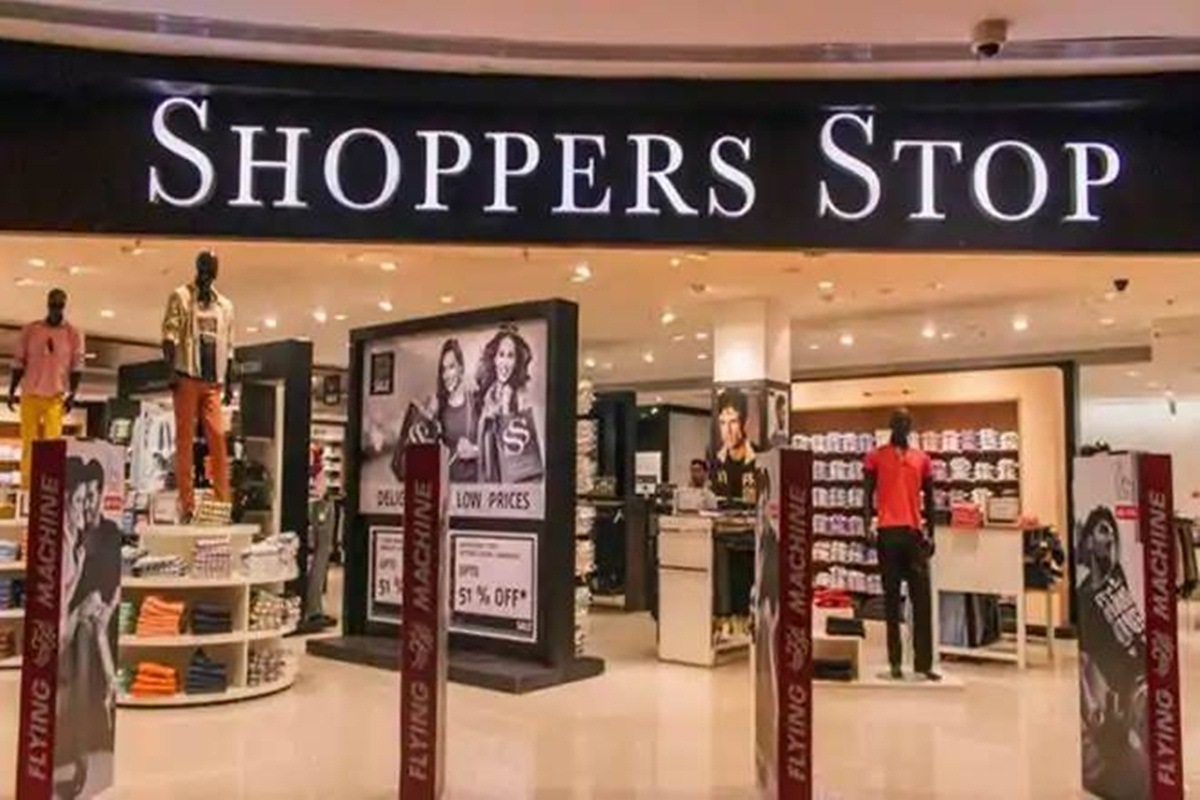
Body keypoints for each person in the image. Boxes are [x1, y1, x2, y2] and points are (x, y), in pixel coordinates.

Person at [56, 457, 121, 798]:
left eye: (93, 495)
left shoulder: (102, 535)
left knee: (85, 684)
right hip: (72, 627)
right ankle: (75, 759)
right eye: (84, 497)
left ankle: (82, 757)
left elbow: (111, 586)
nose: (89, 504)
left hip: (90, 623)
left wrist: (104, 607)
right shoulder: (73, 539)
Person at [863, 408, 940, 682]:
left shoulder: (922, 459)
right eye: (897, 422)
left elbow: (930, 497)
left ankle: (923, 663)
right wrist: (866, 525)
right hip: (887, 533)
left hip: (914, 533)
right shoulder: (875, 457)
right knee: (892, 600)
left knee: (922, 601)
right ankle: (895, 661)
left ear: (910, 426)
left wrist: (932, 532)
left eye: (906, 422)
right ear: (891, 425)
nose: (902, 426)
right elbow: (866, 494)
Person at [1076, 505, 1148, 798]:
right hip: (1129, 688)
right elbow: (1084, 662)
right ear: (1089, 540)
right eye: (1103, 531)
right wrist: (1090, 707)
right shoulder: (1084, 597)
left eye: (1112, 533)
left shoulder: (1117, 574)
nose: (1110, 538)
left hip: (1147, 670)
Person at [162, 251, 235, 522]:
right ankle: (187, 505)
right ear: (197, 269)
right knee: (185, 441)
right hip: (187, 376)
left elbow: (229, 346)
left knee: (217, 437)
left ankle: (222, 502)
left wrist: (229, 381)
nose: (206, 276)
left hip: (213, 380)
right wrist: (170, 371)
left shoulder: (225, 306)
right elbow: (169, 336)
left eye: (211, 271)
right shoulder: (181, 297)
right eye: (203, 270)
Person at [6, 288, 85, 488]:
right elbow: (19, 362)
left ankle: (49, 488)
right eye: (52, 305)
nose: (55, 309)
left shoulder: (73, 334)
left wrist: (73, 395)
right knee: (28, 443)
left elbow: (77, 366)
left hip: (55, 397)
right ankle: (27, 487)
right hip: (30, 393)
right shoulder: (31, 330)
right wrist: (12, 390)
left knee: (52, 445)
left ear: (64, 306)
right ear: (47, 305)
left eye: (59, 305)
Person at [476, 325, 538, 483]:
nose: (504, 362)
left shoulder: (521, 396)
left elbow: (522, 455)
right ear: (494, 359)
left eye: (510, 356)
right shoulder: (489, 395)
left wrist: (505, 407)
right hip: (488, 484)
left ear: (516, 362)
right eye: (501, 354)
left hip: (513, 486)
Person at [430, 338, 479, 482]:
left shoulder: (476, 402)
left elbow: (494, 449)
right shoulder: (439, 406)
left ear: (461, 368)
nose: (446, 375)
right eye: (443, 369)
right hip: (447, 487)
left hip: (474, 488)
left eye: (451, 367)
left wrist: (475, 451)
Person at [711, 388, 757, 502]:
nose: (728, 430)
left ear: (744, 423)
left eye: (733, 422)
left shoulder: (758, 459)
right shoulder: (716, 460)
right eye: (723, 423)